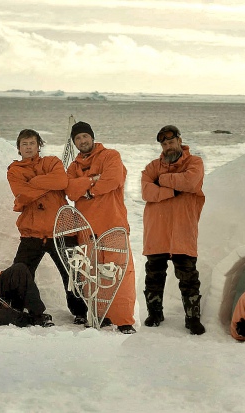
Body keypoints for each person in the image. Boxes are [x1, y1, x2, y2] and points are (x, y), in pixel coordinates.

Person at [7, 129, 87, 323]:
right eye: (24, 144)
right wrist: (47, 185)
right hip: (32, 233)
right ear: (18, 148)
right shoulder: (14, 170)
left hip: (60, 231)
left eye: (32, 143)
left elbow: (61, 181)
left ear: (38, 145)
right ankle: (28, 310)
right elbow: (21, 194)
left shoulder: (52, 162)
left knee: (71, 274)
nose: (28, 147)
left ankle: (81, 313)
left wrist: (33, 182)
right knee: (21, 272)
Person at [64, 122, 138, 334]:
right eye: (78, 138)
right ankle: (99, 316)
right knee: (90, 274)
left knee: (120, 274)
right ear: (74, 142)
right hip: (86, 230)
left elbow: (112, 180)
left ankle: (124, 321)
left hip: (113, 225)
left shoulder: (110, 156)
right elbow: (70, 190)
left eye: (85, 136)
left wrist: (86, 189)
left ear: (92, 137)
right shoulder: (73, 167)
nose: (82, 141)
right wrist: (93, 180)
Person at [140, 125, 207, 335]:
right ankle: (155, 313)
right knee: (154, 276)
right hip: (157, 231)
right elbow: (146, 191)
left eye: (171, 142)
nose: (168, 146)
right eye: (164, 143)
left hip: (183, 231)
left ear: (179, 140)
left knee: (189, 277)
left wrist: (162, 181)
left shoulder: (194, 162)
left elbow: (190, 181)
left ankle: (192, 318)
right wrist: (174, 190)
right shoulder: (152, 166)